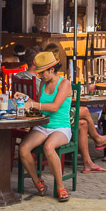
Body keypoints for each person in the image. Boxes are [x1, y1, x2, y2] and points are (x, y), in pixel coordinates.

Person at [18, 51, 75, 202]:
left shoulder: (65, 84)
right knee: (23, 148)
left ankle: (61, 187)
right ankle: (38, 182)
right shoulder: (43, 83)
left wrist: (33, 103)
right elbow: (40, 107)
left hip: (61, 127)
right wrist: (25, 99)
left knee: (49, 147)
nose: (39, 76)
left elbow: (55, 107)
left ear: (51, 70)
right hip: (43, 126)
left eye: (41, 73)